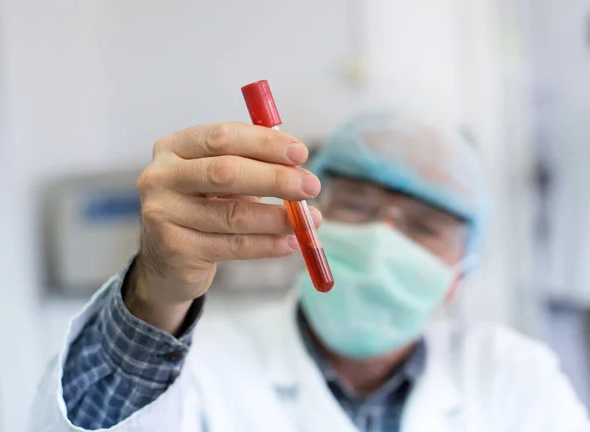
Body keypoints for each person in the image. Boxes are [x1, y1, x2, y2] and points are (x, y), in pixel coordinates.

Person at [31, 111, 589, 432]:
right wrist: (154, 296)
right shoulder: (202, 368)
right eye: (358, 205)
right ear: (302, 214)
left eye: (424, 225)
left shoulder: (512, 375)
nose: (381, 239)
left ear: (461, 271)